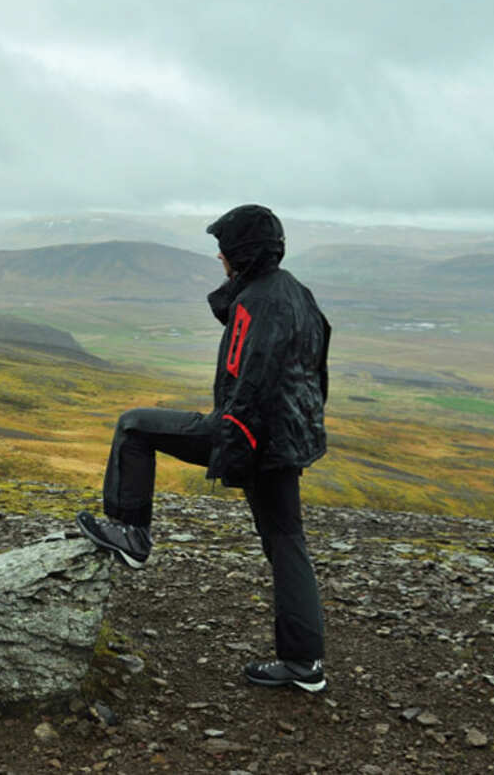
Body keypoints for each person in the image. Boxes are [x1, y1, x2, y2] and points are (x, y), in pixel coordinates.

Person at [76, 204, 331, 693]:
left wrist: (233, 449)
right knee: (286, 543)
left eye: (226, 249)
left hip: (252, 433)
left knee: (134, 427)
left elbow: (247, 384)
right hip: (288, 439)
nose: (219, 256)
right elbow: (313, 372)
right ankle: (305, 664)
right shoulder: (296, 292)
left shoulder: (256, 303)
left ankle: (132, 534)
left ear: (245, 254)